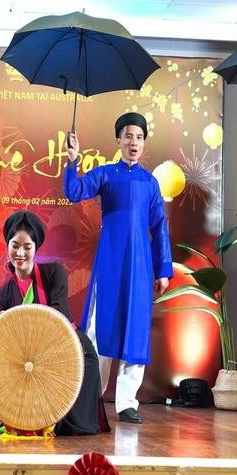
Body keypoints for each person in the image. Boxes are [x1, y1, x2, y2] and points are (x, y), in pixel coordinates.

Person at [64, 112, 173, 424]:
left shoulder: (150, 183)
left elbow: (159, 227)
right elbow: (74, 192)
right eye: (128, 136)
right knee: (100, 329)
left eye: (139, 137)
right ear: (118, 141)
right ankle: (91, 397)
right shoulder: (106, 174)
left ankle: (127, 402)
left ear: (143, 142)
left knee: (134, 329)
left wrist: (162, 269)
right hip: (110, 263)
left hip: (140, 269)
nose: (133, 142)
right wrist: (72, 161)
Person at [0, 210, 109, 435]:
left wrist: (20, 323)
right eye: (15, 245)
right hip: (31, 358)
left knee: (72, 428)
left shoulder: (54, 272)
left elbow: (57, 314)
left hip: (70, 349)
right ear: (7, 246)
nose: (20, 252)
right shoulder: (6, 292)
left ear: (36, 248)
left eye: (27, 246)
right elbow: (1, 337)